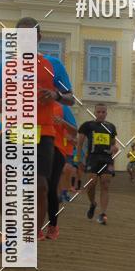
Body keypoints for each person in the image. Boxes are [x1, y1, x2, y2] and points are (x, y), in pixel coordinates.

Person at [0, 17, 74, 244]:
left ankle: (29, 237)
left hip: (42, 130)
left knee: (40, 185)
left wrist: (55, 95)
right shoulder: (7, 66)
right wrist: (0, 104)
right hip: (15, 128)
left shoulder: (53, 64)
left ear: (39, 38)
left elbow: (70, 98)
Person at [77, 103, 118, 225]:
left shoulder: (111, 127)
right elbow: (79, 144)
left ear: (106, 113)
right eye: (98, 112)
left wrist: (114, 149)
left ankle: (103, 214)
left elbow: (113, 144)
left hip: (106, 159)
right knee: (91, 185)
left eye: (103, 112)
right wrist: (77, 159)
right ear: (94, 113)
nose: (101, 114)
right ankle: (92, 203)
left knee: (105, 184)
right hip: (92, 159)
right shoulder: (87, 125)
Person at [46, 101, 77, 239]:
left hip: (57, 150)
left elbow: (74, 131)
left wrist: (63, 122)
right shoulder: (30, 104)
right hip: (35, 148)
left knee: (51, 188)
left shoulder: (62, 108)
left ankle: (53, 225)